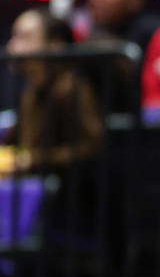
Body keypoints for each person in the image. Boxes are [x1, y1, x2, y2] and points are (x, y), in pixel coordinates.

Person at [1, 9, 102, 175]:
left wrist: (35, 159)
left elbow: (91, 148)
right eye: (14, 37)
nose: (13, 46)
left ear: (55, 45)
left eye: (25, 37)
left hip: (70, 192)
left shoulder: (70, 87)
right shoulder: (32, 88)